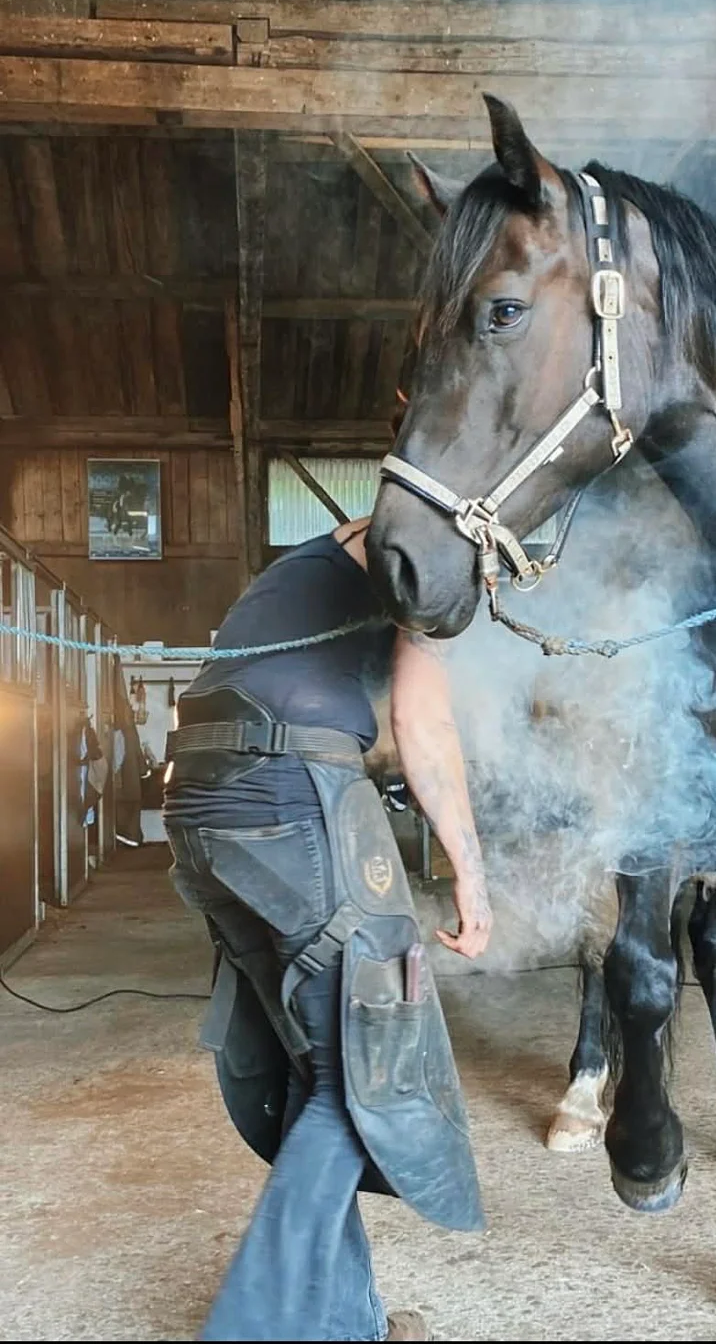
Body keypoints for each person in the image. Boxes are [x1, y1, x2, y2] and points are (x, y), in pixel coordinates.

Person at [162, 515, 492, 1343]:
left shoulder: (332, 548)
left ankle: (349, 1324)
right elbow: (422, 725)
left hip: (201, 803)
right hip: (285, 794)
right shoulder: (440, 535)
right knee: (363, 1077)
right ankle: (250, 1329)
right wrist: (472, 874)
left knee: (320, 1069)